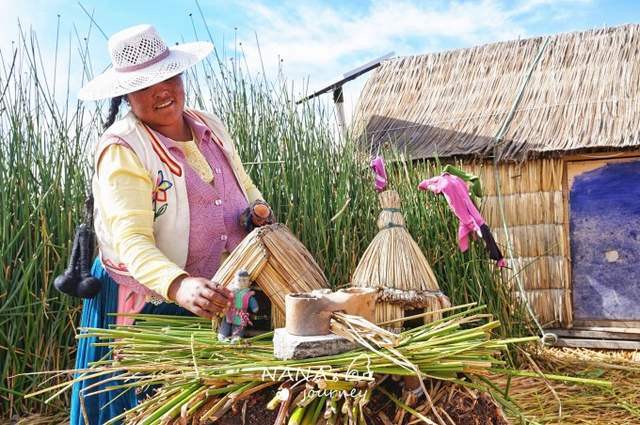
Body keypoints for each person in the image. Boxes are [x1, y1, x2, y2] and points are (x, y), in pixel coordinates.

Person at [71, 24, 272, 425]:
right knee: (147, 407)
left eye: (168, 77)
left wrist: (258, 209)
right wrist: (178, 284)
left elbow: (243, 182)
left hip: (217, 291)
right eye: (144, 86)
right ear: (125, 95)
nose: (161, 91)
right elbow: (132, 241)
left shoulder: (209, 126)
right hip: (151, 301)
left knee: (210, 406)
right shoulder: (123, 149)